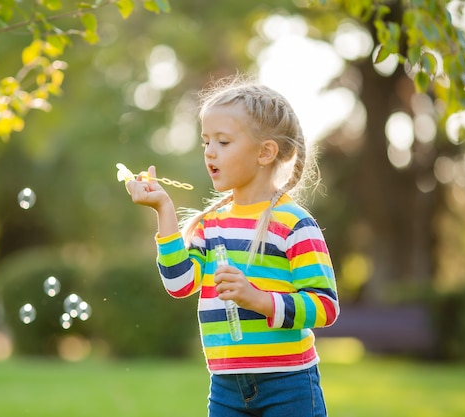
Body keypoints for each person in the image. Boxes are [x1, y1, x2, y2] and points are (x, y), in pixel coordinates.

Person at [125, 75, 339, 417]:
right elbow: (180, 285)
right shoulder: (211, 224)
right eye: (206, 141)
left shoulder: (295, 224)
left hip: (289, 384)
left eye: (223, 142)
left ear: (265, 152)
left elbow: (325, 306)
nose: (209, 151)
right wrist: (164, 210)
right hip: (225, 386)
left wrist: (259, 300)